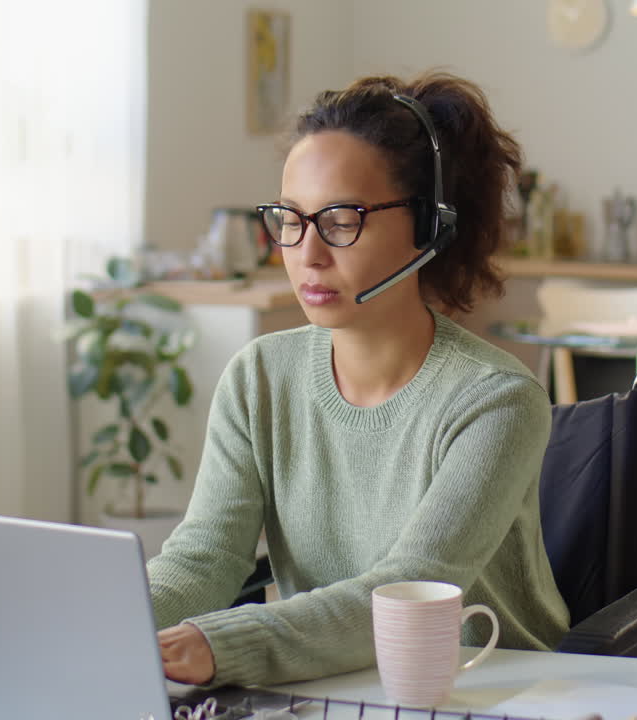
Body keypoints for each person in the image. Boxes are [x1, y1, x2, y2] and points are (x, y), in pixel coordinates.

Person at [147, 71, 570, 688]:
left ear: (428, 228)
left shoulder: (497, 402)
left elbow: (407, 590)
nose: (308, 254)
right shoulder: (259, 378)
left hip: (486, 687)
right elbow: (204, 557)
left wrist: (220, 643)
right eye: (290, 219)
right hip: (328, 687)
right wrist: (109, 621)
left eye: (342, 220)